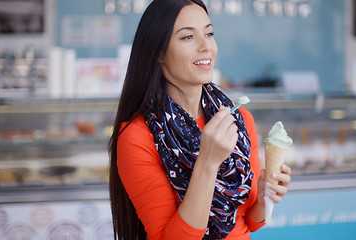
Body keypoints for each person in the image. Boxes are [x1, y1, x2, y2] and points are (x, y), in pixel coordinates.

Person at [108, 0, 292, 239]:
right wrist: (207, 162)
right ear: (159, 53)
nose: (206, 46)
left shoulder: (239, 118)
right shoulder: (137, 135)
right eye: (188, 37)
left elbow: (248, 221)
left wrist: (264, 194)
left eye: (209, 33)